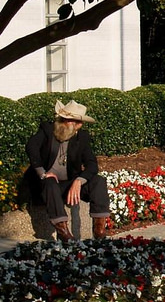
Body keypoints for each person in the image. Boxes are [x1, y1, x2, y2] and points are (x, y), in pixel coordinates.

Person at [25, 99, 111, 241]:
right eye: (75, 121)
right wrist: (43, 173)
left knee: (98, 181)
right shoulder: (47, 130)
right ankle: (63, 232)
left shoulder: (81, 137)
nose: (79, 125)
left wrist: (79, 180)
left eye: (80, 122)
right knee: (50, 182)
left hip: (69, 182)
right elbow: (31, 147)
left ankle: (99, 230)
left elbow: (92, 164)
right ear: (64, 120)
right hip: (47, 184)